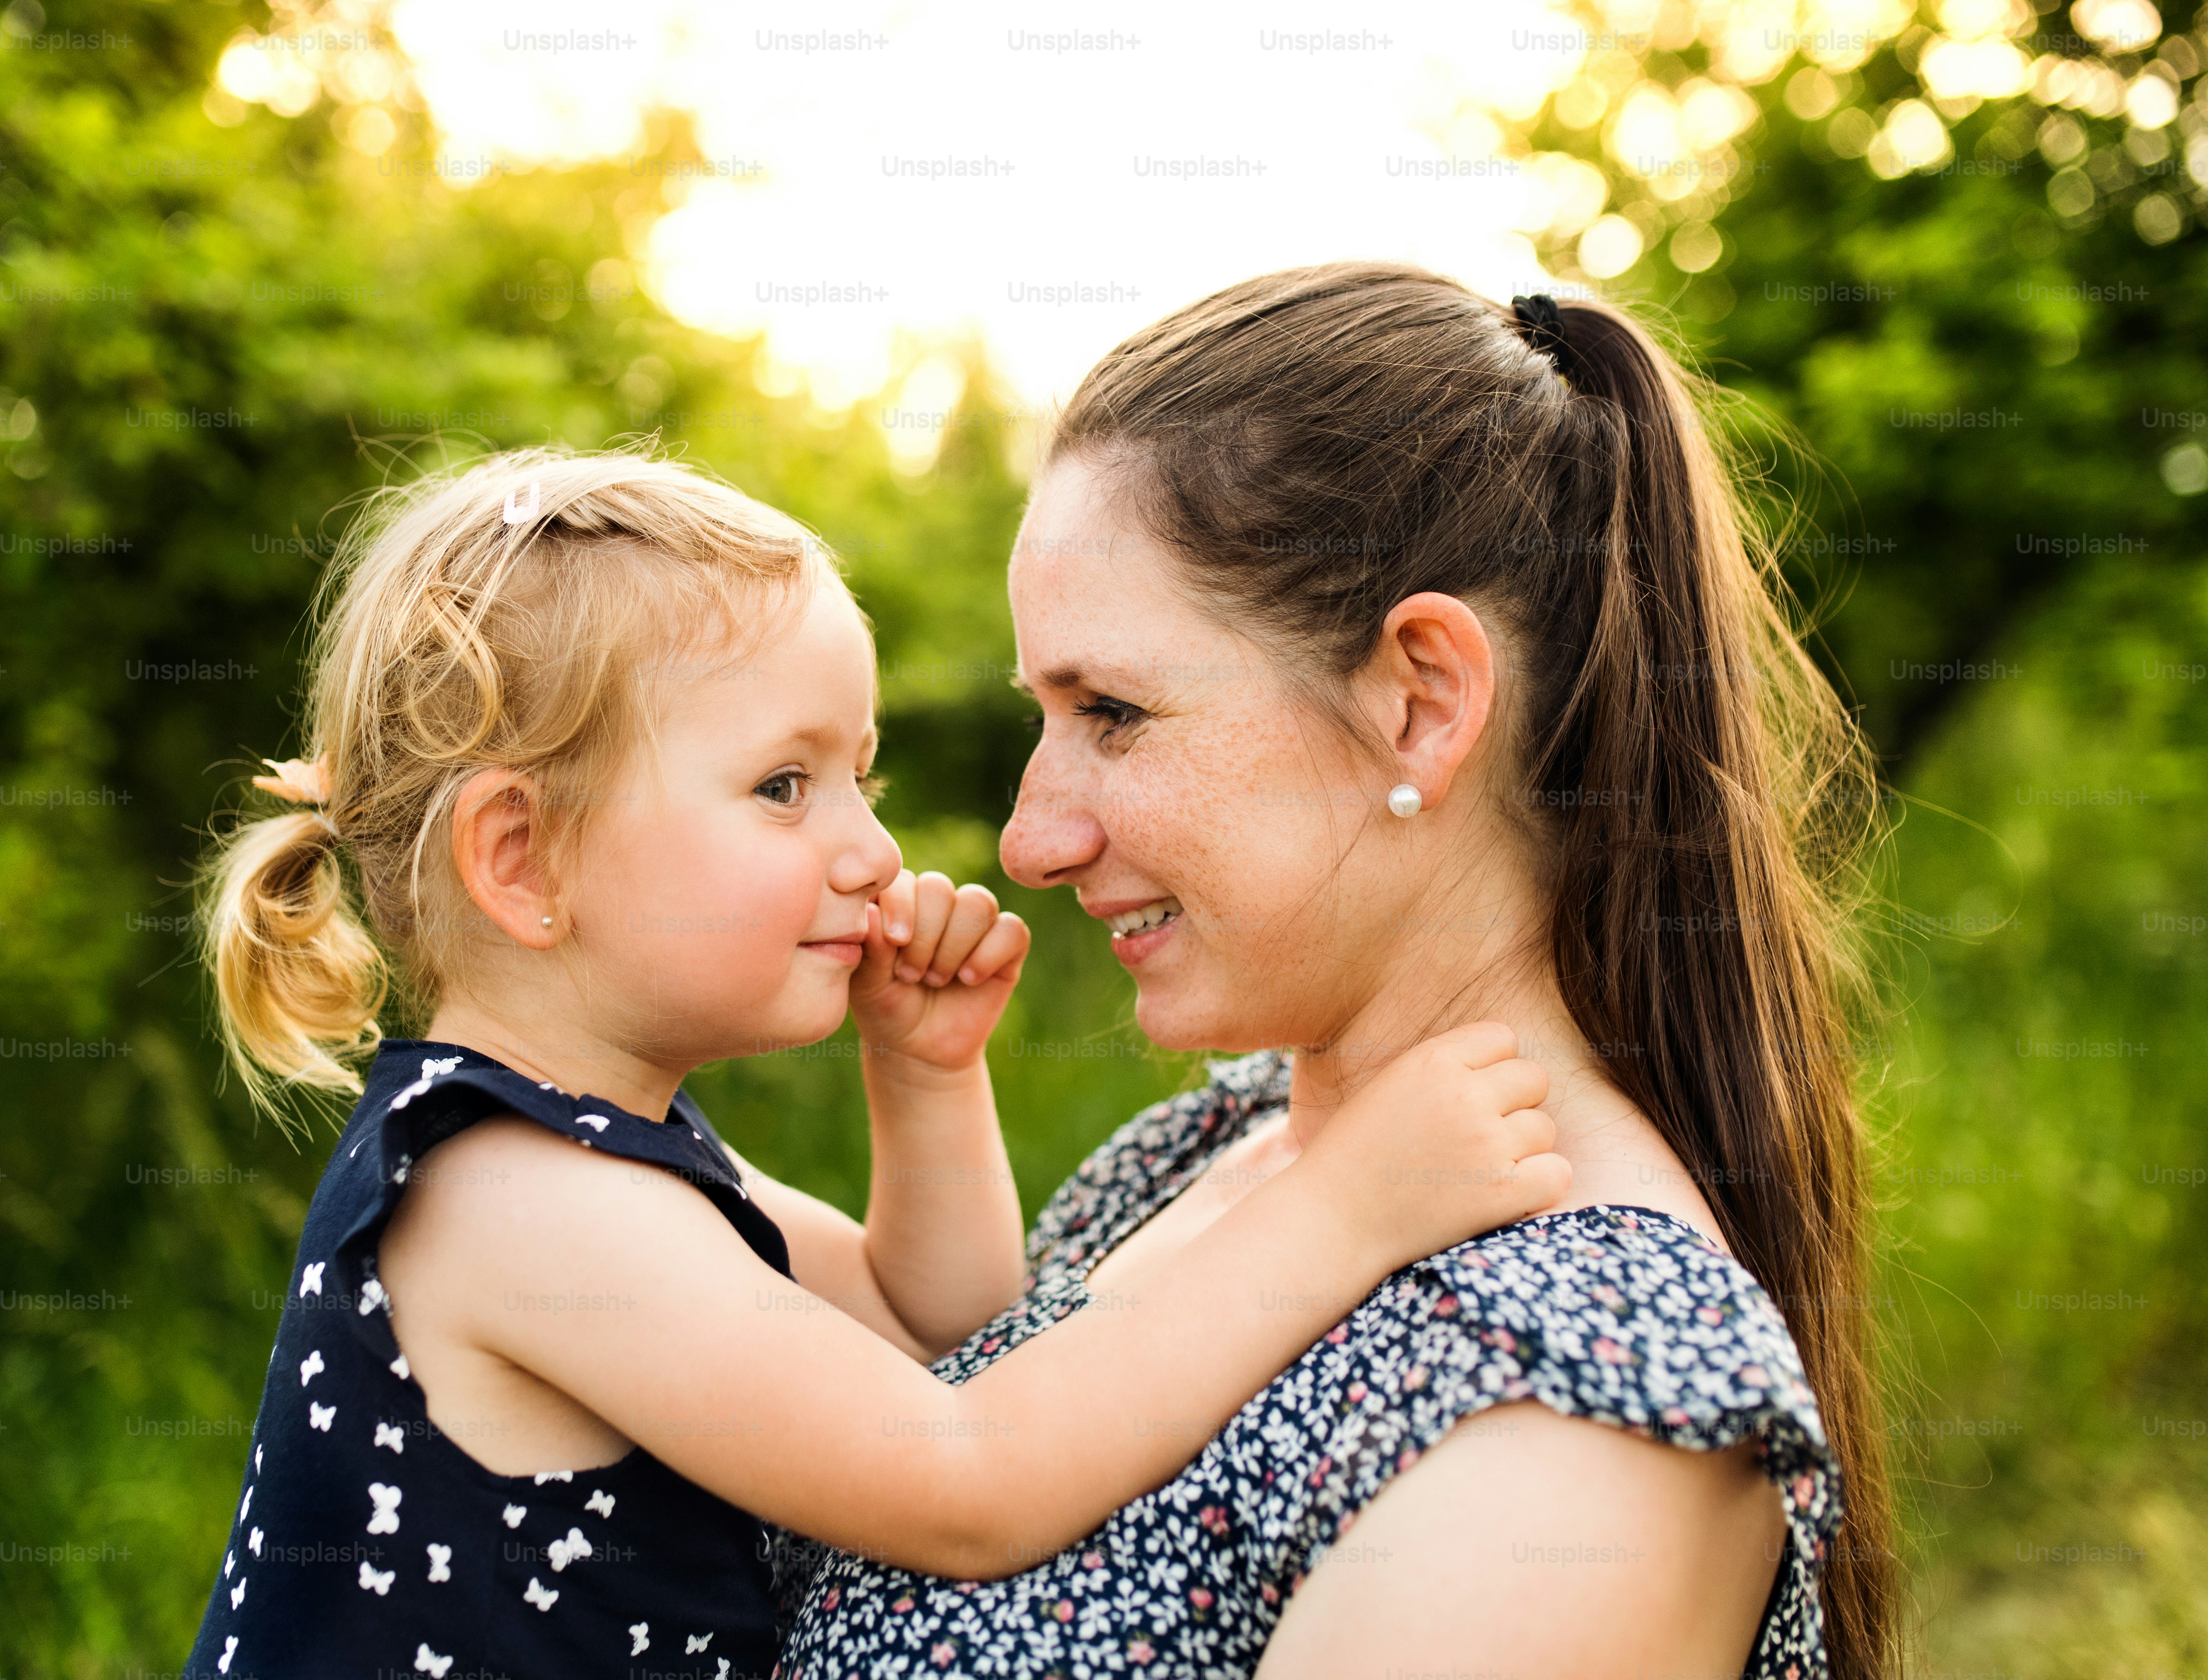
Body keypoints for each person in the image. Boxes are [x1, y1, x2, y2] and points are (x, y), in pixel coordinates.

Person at [177, 446, 1569, 1680]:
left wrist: (927, 1080)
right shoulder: (512, 1204)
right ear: (523, 860)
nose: (872, 853)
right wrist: (1347, 1209)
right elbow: (966, 1480)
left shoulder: (610, 1155)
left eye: (865, 778)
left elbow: (945, 1333)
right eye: (785, 787)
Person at [777, 265, 1895, 1679]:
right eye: (1047, 712)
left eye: (1113, 712)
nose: (1028, 839)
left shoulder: (1596, 1411)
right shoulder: (1211, 1144)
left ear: (1422, 703)